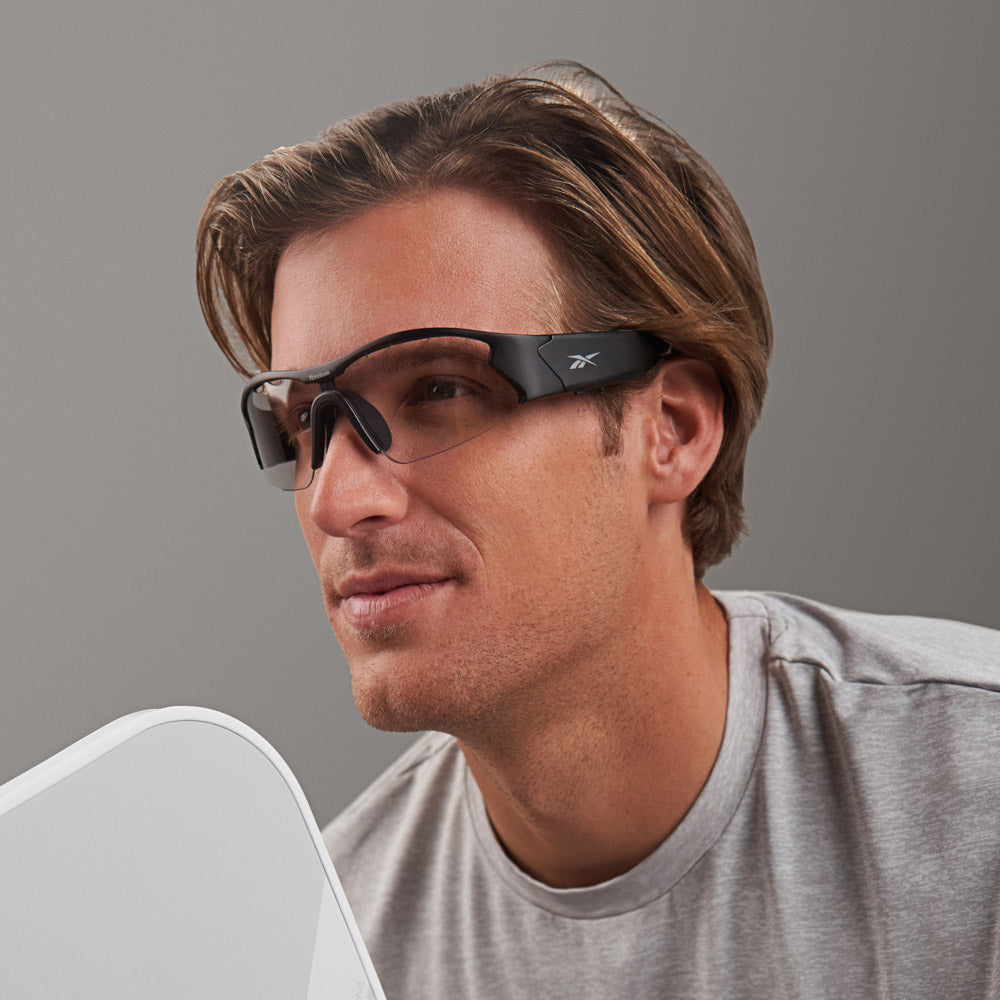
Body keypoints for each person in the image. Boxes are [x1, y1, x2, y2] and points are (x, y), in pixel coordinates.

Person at [196, 64, 1000, 999]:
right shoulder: (338, 959)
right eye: (306, 423)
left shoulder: (975, 806)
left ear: (674, 430)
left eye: (440, 389)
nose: (337, 501)